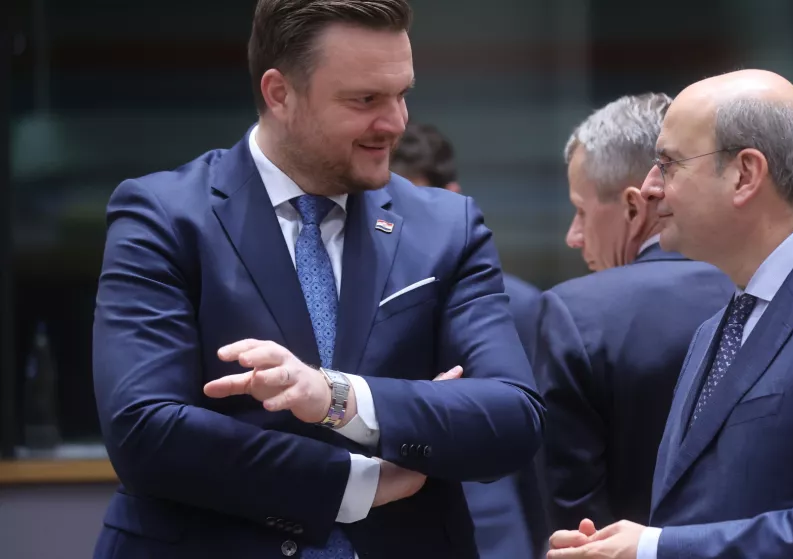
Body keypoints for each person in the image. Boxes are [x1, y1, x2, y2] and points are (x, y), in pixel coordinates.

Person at [91, 2, 544, 558]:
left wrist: (339, 398)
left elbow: (511, 417)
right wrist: (356, 482)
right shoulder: (164, 215)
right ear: (280, 93)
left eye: (402, 93)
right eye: (365, 100)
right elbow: (145, 431)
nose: (396, 122)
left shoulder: (448, 226)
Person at [548, 69, 793, 559]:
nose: (648, 188)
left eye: (667, 164)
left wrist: (656, 550)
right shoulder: (722, 322)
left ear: (745, 174)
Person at [535, 94, 734, 531]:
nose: (574, 235)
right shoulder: (765, 289)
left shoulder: (577, 313)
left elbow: (578, 523)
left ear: (633, 205)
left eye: (581, 211)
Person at [391, 121, 548, 559]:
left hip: (496, 535)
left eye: (413, 204)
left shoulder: (518, 304)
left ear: (452, 196)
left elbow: (538, 449)